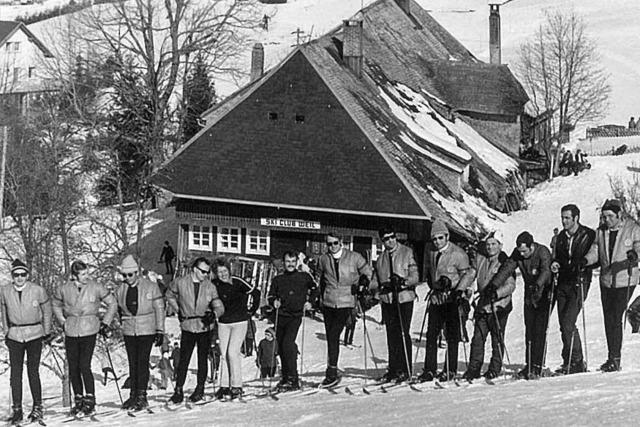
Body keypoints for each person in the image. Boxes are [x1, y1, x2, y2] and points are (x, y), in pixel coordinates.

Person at [52, 260, 117, 416]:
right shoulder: (64, 288)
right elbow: (55, 304)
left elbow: (112, 303)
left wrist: (105, 322)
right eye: (82, 274)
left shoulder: (95, 287)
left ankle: (90, 398)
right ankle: (78, 399)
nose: (86, 276)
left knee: (84, 365)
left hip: (90, 328)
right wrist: (62, 321)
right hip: (71, 329)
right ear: (74, 275)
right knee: (73, 367)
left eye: (87, 273)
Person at [583, 199, 640, 372]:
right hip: (607, 280)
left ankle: (615, 358)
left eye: (610, 216)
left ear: (619, 215)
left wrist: (634, 255)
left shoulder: (632, 229)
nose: (606, 220)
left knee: (616, 316)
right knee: (609, 319)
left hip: (625, 279)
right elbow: (595, 252)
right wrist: (585, 261)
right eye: (604, 216)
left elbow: (639, 246)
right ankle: (611, 356)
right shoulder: (600, 232)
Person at [418, 220, 475, 382]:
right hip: (437, 298)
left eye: (440, 238)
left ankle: (450, 369)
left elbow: (469, 274)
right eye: (434, 239)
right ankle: (429, 369)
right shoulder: (431, 252)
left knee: (452, 335)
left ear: (447, 236)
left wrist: (458, 289)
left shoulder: (458, 253)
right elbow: (430, 271)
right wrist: (433, 284)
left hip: (452, 298)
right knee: (431, 334)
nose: (437, 242)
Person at [491, 231, 552, 379]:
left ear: (531, 246)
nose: (522, 254)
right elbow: (507, 269)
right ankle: (529, 363)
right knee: (529, 328)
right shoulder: (518, 254)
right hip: (529, 292)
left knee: (539, 328)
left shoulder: (542, 251)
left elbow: (546, 270)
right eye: (520, 251)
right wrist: (494, 285)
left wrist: (538, 285)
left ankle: (538, 365)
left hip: (544, 292)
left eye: (524, 251)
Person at [0, 259, 52, 425]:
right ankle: (17, 409)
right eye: (16, 275)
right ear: (12, 276)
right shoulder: (5, 291)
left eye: (23, 274)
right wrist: (6, 331)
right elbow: (3, 312)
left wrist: (46, 330)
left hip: (34, 333)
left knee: (33, 371)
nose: (20, 278)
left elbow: (47, 309)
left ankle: (37, 406)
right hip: (15, 335)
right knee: (16, 373)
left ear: (27, 275)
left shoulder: (37, 290)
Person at [166, 257, 225, 404]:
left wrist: (214, 314)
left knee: (202, 359)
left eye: (207, 272)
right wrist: (178, 310)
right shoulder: (180, 282)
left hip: (204, 326)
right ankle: (178, 390)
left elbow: (219, 306)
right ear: (195, 269)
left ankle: (200, 389)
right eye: (203, 271)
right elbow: (169, 294)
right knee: (184, 359)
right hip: (188, 325)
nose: (205, 274)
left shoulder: (210, 286)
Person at [317, 233, 372, 387]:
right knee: (330, 337)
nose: (332, 247)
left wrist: (363, 282)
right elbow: (319, 277)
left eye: (335, 243)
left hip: (347, 301)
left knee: (334, 334)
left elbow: (368, 272)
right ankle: (332, 370)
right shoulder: (323, 259)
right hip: (328, 302)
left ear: (341, 242)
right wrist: (318, 297)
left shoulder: (354, 257)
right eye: (329, 244)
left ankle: (331, 371)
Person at [114, 255, 166, 411]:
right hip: (130, 329)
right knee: (133, 362)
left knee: (142, 361)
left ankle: (142, 396)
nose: (128, 278)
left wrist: (160, 330)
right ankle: (133, 394)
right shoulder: (121, 289)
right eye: (125, 275)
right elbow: (117, 308)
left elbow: (159, 308)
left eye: (130, 274)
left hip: (146, 328)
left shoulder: (150, 286)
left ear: (137, 272)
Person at [462, 231, 515, 381]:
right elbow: (471, 275)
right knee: (478, 338)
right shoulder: (481, 259)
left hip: (499, 306)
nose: (490, 247)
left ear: (500, 245)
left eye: (494, 244)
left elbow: (511, 285)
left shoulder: (505, 261)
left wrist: (497, 294)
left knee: (497, 338)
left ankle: (494, 368)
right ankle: (473, 369)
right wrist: (462, 289)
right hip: (483, 306)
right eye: (488, 244)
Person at [550, 204, 596, 374]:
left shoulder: (588, 234)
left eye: (567, 218)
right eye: (562, 217)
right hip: (563, 282)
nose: (564, 221)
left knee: (569, 322)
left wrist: (582, 264)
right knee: (563, 324)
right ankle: (569, 359)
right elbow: (559, 257)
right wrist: (555, 263)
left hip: (579, 281)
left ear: (576, 218)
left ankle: (576, 361)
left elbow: (595, 256)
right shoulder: (561, 236)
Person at [370, 227, 419, 383]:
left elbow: (415, 276)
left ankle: (405, 369)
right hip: (388, 300)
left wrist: (403, 281)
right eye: (386, 239)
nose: (390, 241)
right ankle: (393, 369)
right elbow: (376, 280)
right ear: (382, 241)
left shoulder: (407, 252)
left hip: (404, 298)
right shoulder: (381, 259)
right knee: (391, 334)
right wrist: (367, 285)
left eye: (392, 237)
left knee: (403, 333)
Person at [268, 251, 318, 391]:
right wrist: (274, 301)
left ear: (297, 262)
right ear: (283, 263)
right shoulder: (278, 279)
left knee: (288, 344)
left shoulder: (303, 277)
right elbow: (271, 295)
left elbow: (315, 289)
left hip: (295, 316)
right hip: (281, 316)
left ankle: (293, 379)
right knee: (282, 347)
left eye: (293, 261)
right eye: (287, 261)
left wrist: (310, 302)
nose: (290, 264)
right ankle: (285, 377)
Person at [212, 257, 260, 399]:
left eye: (224, 271)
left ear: (229, 270)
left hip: (239, 322)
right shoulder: (214, 284)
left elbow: (255, 292)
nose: (223, 274)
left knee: (233, 352)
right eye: (219, 272)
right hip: (223, 322)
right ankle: (224, 386)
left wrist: (251, 309)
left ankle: (237, 386)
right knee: (224, 354)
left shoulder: (237, 282)